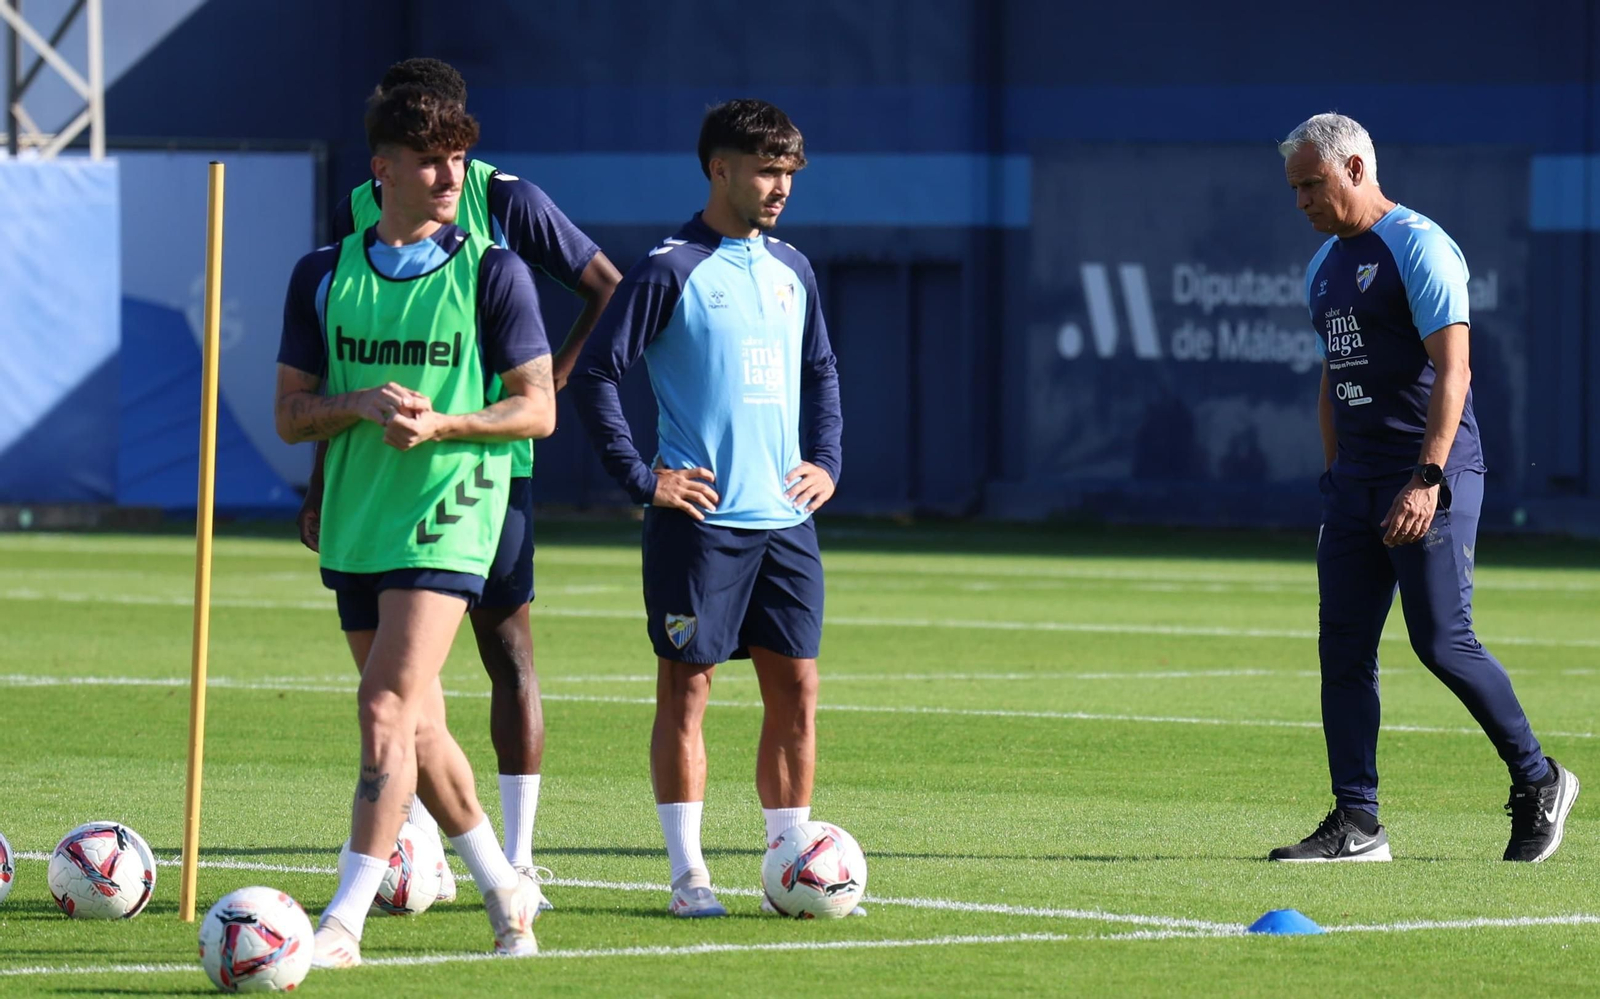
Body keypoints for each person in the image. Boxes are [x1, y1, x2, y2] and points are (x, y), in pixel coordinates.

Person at [301, 58, 621, 902]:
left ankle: (502, 859)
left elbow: (603, 287)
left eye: (452, 137)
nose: (443, 164)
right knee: (413, 703)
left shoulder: (505, 205)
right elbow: (323, 373)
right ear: (385, 147)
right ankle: (455, 860)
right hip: (370, 486)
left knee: (492, 654)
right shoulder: (348, 233)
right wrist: (318, 476)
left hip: (481, 475)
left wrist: (543, 376)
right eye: (419, 136)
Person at [274, 84, 555, 966]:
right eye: (430, 158)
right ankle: (504, 885)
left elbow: (537, 408)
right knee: (420, 725)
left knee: (384, 703)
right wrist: (355, 404)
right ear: (381, 167)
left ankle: (344, 919)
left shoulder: (492, 272)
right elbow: (289, 414)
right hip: (361, 517)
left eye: (459, 158)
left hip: (453, 511)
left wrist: (446, 424)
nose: (448, 175)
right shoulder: (323, 273)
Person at [1271, 112, 1579, 863]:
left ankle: (1540, 777)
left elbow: (1456, 371)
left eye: (1312, 184)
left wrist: (1429, 478)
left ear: (1354, 169)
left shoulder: (1420, 245)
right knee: (1341, 647)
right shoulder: (1323, 267)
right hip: (1355, 484)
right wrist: (1335, 473)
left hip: (1429, 473)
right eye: (1295, 188)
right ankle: (1358, 821)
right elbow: (1332, 380)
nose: (1303, 200)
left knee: (1442, 640)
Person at [568, 99, 845, 916]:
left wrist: (826, 460)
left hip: (787, 521)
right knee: (686, 692)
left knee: (797, 688)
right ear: (718, 168)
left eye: (790, 171)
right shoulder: (668, 268)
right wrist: (641, 476)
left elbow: (822, 371)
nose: (780, 186)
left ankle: (790, 860)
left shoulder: (794, 267)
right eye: (766, 169)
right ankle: (689, 873)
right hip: (700, 525)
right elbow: (593, 375)